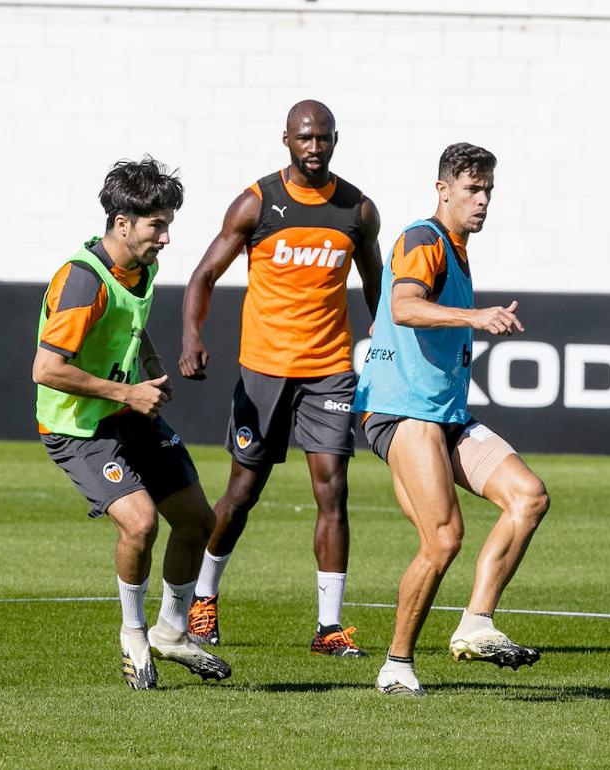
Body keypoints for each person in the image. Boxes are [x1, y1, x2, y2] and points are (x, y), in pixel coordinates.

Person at [179, 100, 382, 657]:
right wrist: (192, 336)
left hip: (329, 371)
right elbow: (203, 274)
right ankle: (202, 599)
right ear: (286, 140)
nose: (313, 147)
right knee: (242, 492)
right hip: (263, 371)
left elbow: (376, 288)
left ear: (336, 141)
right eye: (304, 138)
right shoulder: (257, 202)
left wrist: (389, 344)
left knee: (333, 490)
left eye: (323, 138)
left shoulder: (357, 210)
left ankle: (328, 628)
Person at [355, 142, 550, 696]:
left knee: (529, 496)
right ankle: (396, 665)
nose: (483, 200)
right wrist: (475, 316)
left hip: (445, 414)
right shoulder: (424, 238)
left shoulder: (458, 250)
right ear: (442, 190)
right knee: (442, 540)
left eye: (488, 189)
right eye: (472, 189)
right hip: (401, 410)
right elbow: (402, 307)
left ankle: (476, 624)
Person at [33, 157, 231, 690]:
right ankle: (134, 635)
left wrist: (153, 367)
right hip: (79, 429)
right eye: (157, 225)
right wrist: (127, 391)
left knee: (196, 520)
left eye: (168, 224)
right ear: (122, 223)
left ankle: (172, 631)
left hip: (127, 411)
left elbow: (132, 324)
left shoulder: (142, 266)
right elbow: (47, 369)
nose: (166, 238)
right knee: (141, 523)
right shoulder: (82, 281)